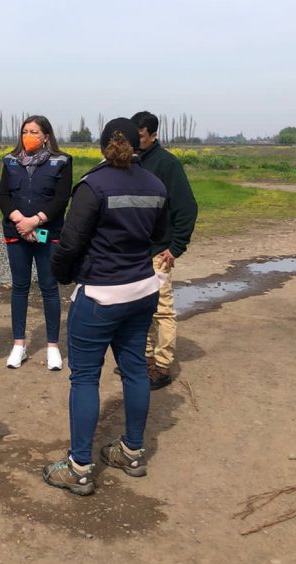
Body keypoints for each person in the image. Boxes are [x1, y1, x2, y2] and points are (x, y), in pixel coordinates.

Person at [43, 118, 168, 496]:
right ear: (138, 145)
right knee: (134, 370)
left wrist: (62, 274)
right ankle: (131, 452)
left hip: (100, 296)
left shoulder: (93, 185)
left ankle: (79, 467)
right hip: (142, 292)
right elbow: (159, 237)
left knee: (84, 378)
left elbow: (70, 242)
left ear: (102, 146)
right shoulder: (156, 185)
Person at [0, 115, 72, 370]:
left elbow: (61, 198)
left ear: (46, 136)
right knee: (19, 287)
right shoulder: (10, 161)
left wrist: (36, 221)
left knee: (49, 288)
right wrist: (20, 220)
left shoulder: (61, 162)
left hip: (47, 233)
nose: (29, 135)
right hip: (17, 232)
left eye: (35, 131)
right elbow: (3, 196)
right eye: (25, 131)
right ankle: (19, 344)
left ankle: (53, 346)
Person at [131, 111, 198, 390]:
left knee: (161, 311)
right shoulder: (130, 163)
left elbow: (187, 208)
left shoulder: (167, 164)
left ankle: (161, 366)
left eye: (141, 137)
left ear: (154, 135)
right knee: (138, 311)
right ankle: (143, 361)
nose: (136, 142)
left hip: (158, 252)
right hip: (133, 251)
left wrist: (176, 247)